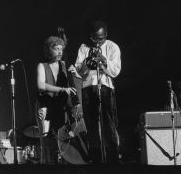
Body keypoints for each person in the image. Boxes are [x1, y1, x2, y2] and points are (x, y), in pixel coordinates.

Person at [68, 21, 121, 163]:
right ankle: (96, 159)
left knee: (108, 123)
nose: (97, 42)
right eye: (94, 39)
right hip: (88, 87)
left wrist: (104, 61)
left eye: (100, 39)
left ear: (105, 36)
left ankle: (113, 159)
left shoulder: (112, 46)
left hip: (105, 87)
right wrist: (87, 60)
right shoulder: (84, 47)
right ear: (90, 37)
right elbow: (79, 72)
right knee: (91, 124)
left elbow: (115, 71)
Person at [36, 36, 76, 164]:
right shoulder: (42, 66)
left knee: (63, 140)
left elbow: (77, 83)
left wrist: (76, 74)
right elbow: (41, 85)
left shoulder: (65, 65)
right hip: (46, 105)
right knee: (47, 141)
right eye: (56, 49)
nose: (60, 52)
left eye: (61, 49)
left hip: (60, 107)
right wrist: (61, 89)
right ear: (49, 50)